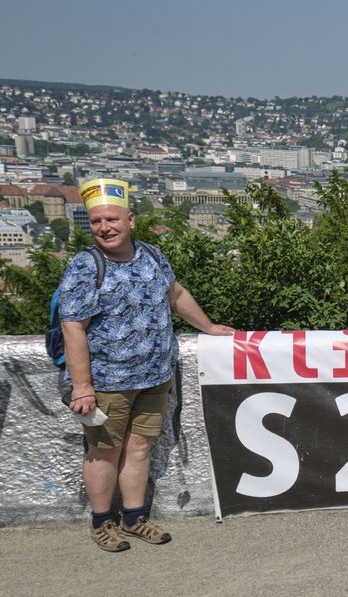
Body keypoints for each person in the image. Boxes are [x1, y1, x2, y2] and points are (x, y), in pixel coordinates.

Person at [60, 178, 234, 552]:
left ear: (131, 220)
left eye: (112, 219)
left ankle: (135, 517)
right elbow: (73, 326)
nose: (104, 228)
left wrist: (208, 327)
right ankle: (103, 522)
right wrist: (82, 385)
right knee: (104, 450)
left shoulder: (152, 255)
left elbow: (177, 294)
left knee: (139, 447)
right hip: (108, 380)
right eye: (96, 222)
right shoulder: (85, 266)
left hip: (155, 376)